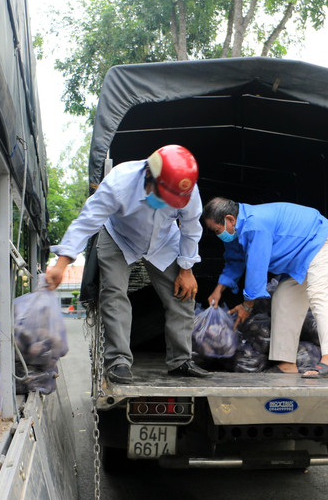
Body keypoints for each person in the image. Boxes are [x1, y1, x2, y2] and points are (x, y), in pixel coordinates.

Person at [45, 145, 211, 383]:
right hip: (119, 238)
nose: (166, 202)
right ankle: (118, 361)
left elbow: (192, 228)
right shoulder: (119, 183)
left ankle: (181, 361)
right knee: (114, 293)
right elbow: (87, 222)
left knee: (183, 294)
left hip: (164, 240)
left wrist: (186, 269)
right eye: (163, 196)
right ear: (148, 176)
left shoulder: (186, 188)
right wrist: (62, 264)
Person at [203, 197, 328, 378]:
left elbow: (257, 268)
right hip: (300, 256)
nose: (218, 235)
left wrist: (248, 305)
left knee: (319, 296)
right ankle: (287, 364)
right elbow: (234, 261)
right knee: (283, 298)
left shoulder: (255, 225)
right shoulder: (237, 232)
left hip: (321, 241)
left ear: (230, 219)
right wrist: (219, 289)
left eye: (218, 230)